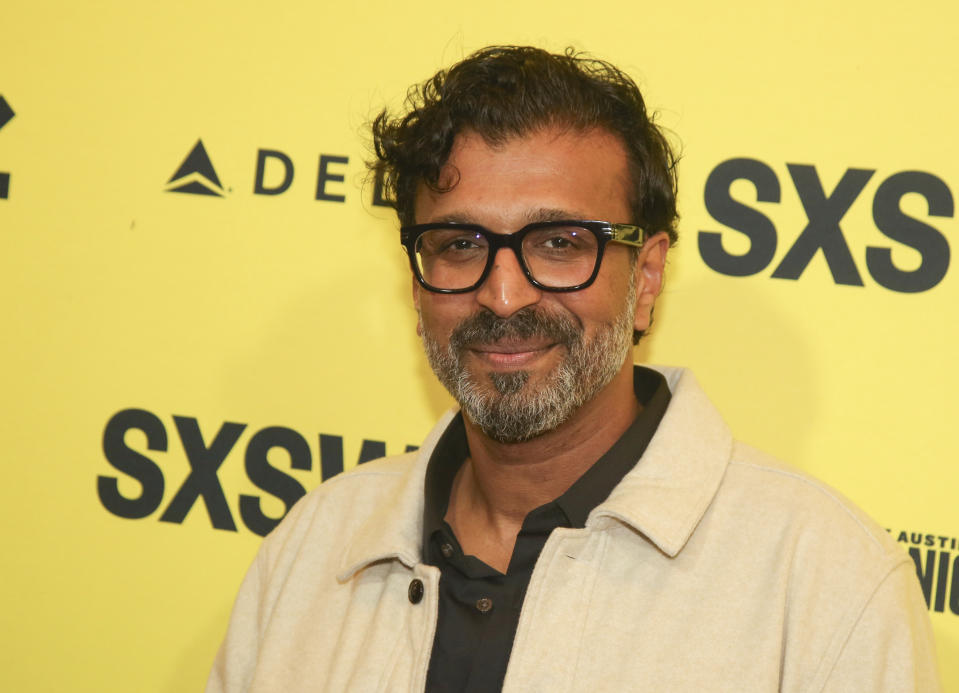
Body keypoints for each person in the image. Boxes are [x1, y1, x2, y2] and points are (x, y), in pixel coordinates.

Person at [207, 46, 940, 692]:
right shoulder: (313, 546)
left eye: (559, 243)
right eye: (458, 243)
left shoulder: (823, 584)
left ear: (645, 278)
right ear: (416, 279)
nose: (502, 294)